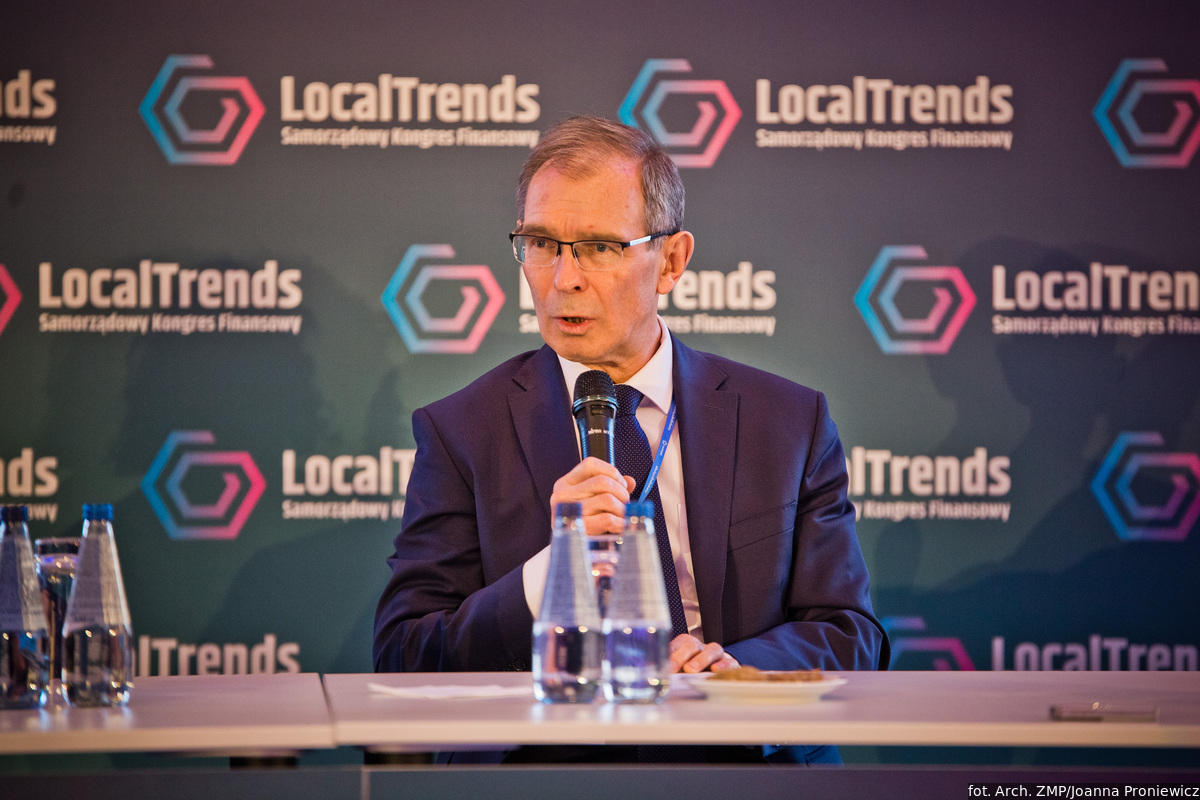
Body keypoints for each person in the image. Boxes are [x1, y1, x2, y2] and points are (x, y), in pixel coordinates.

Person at [373, 115, 888, 764]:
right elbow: (405, 657)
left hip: (742, 767)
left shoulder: (785, 421)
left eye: (598, 247)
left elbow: (849, 631)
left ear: (670, 261)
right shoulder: (461, 431)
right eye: (541, 243)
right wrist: (549, 574)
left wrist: (738, 677)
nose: (563, 279)